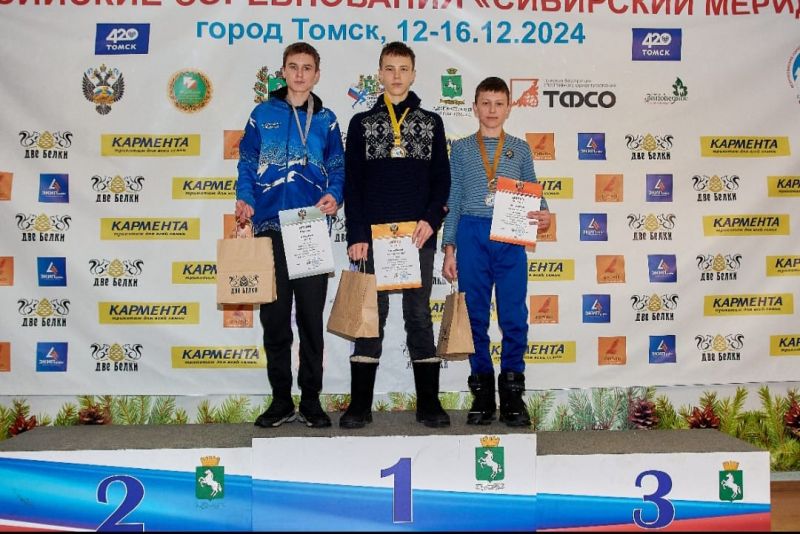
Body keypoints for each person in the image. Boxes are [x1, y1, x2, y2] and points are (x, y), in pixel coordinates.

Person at [341, 41, 451, 429]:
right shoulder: (360, 124)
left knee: (419, 315)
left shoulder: (432, 122)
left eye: (403, 69)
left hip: (417, 237)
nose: (396, 76)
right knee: (370, 317)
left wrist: (430, 221)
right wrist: (357, 233)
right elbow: (352, 184)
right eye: (389, 68)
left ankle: (429, 404)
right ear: (380, 74)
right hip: (373, 238)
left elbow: (442, 182)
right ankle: (359, 406)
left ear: (414, 74)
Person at [236, 42, 344, 428]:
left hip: (309, 225)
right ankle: (281, 400)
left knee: (311, 320)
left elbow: (337, 165)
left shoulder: (327, 119)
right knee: (275, 319)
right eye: (293, 67)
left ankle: (311, 400)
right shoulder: (262, 114)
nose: (299, 74)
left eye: (307, 68)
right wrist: (245, 198)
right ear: (283, 72)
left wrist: (335, 194)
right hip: (268, 226)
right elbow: (247, 161)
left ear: (317, 74)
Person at [441, 77, 551, 427]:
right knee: (475, 316)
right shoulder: (461, 149)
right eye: (485, 103)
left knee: (513, 316)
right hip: (472, 233)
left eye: (498, 103)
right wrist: (449, 248)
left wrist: (544, 213)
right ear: (474, 108)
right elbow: (454, 198)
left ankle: (513, 394)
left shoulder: (520, 148)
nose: (491, 110)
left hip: (510, 235)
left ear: (508, 108)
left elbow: (533, 188)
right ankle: (483, 393)